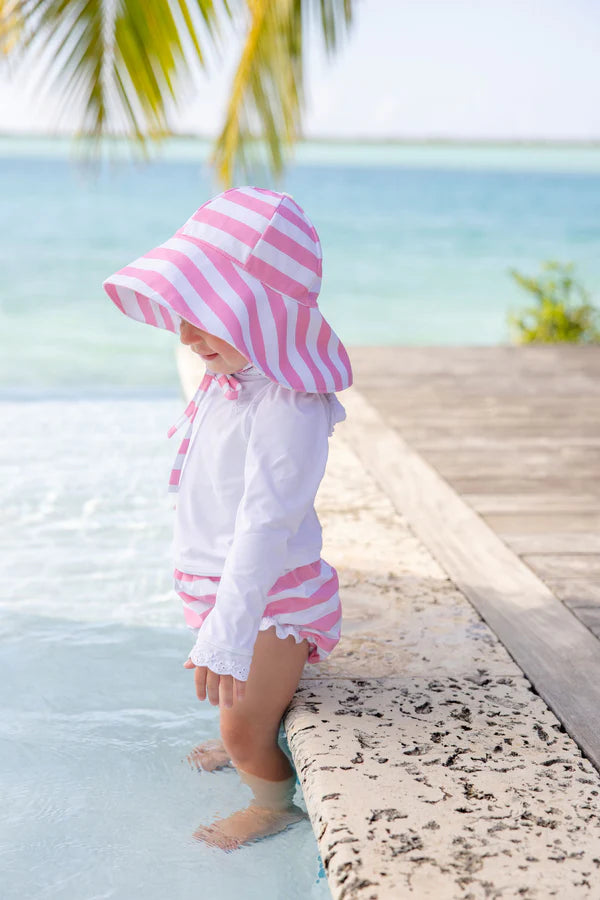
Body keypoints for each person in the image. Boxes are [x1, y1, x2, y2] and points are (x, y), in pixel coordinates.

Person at [102, 185, 352, 851]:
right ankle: (247, 731)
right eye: (185, 314)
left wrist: (230, 630)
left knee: (242, 727)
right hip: (227, 582)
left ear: (263, 317)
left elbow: (267, 524)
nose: (186, 335)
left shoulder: (288, 407)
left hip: (270, 595)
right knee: (232, 707)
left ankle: (273, 804)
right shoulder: (232, 379)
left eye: (208, 317)